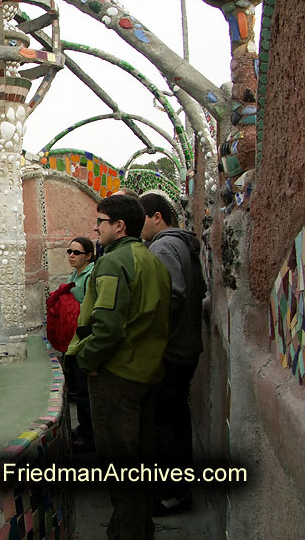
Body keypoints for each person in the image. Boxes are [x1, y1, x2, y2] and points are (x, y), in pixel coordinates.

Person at [68, 194, 171, 540]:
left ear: (119, 226)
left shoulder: (114, 263)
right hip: (147, 373)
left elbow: (108, 327)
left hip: (118, 378)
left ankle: (126, 533)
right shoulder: (150, 258)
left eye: (100, 221)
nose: (96, 228)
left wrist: (86, 360)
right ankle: (141, 529)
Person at [139, 193, 206, 516]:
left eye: (142, 219)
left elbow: (172, 295)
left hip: (172, 351)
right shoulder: (185, 244)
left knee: (165, 424)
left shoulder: (163, 246)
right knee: (175, 421)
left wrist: (146, 332)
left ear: (157, 217)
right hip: (187, 347)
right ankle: (177, 490)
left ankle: (172, 493)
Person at [46, 237, 96, 453]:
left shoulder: (91, 275)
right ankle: (84, 428)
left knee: (85, 392)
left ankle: (89, 437)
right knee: (78, 387)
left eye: (77, 252)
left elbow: (90, 306)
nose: (72, 256)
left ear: (89, 256)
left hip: (84, 340)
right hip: (73, 341)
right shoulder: (74, 275)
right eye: (69, 251)